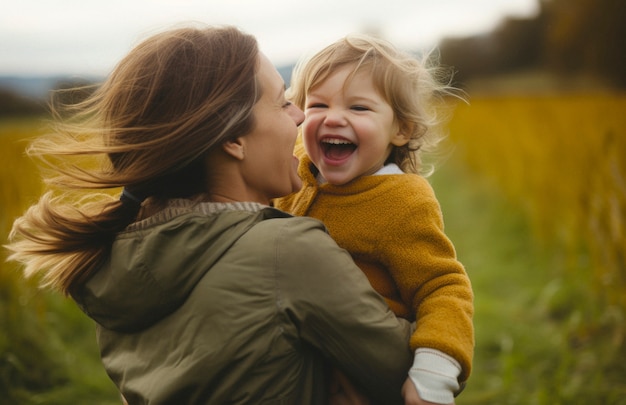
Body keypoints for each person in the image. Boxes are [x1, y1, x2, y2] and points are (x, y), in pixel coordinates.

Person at [5, 26, 415, 404]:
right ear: (233, 139)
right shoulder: (287, 251)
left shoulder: (119, 251)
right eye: (282, 102)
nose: (301, 115)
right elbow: (408, 374)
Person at [273, 34, 474, 405]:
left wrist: (435, 369)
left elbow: (442, 287)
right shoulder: (293, 170)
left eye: (359, 108)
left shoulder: (401, 201)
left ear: (401, 129)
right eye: (318, 105)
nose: (333, 118)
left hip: (365, 371)